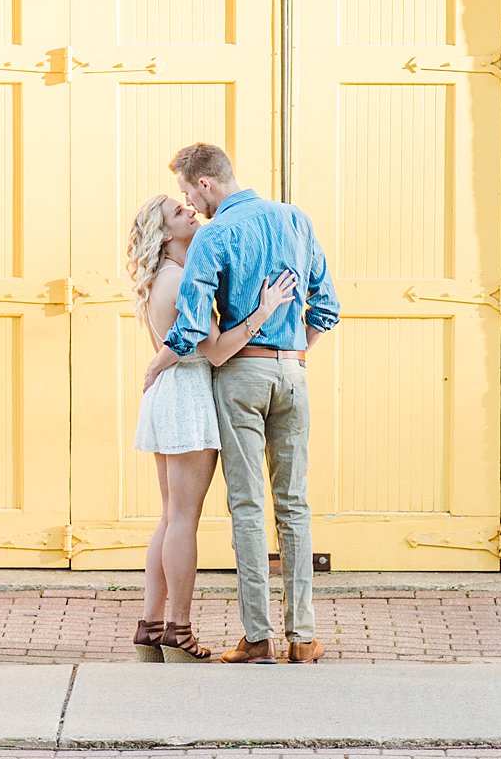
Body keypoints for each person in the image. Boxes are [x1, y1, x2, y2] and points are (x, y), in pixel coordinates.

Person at [144, 143, 340, 665]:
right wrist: (293, 352)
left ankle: (258, 638)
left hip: (240, 373)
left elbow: (189, 327)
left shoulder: (215, 235)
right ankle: (303, 638)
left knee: (248, 506)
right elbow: (328, 306)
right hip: (292, 370)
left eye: (188, 192)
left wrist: (157, 364)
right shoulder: (295, 220)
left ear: (205, 185)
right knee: (294, 505)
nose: (190, 203)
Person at [126, 193, 297, 663]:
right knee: (183, 518)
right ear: (164, 233)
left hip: (171, 393)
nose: (191, 213)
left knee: (169, 515)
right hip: (186, 396)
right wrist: (263, 312)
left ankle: (151, 625)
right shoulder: (179, 279)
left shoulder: (162, 278)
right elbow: (216, 351)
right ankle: (178, 630)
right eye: (178, 213)